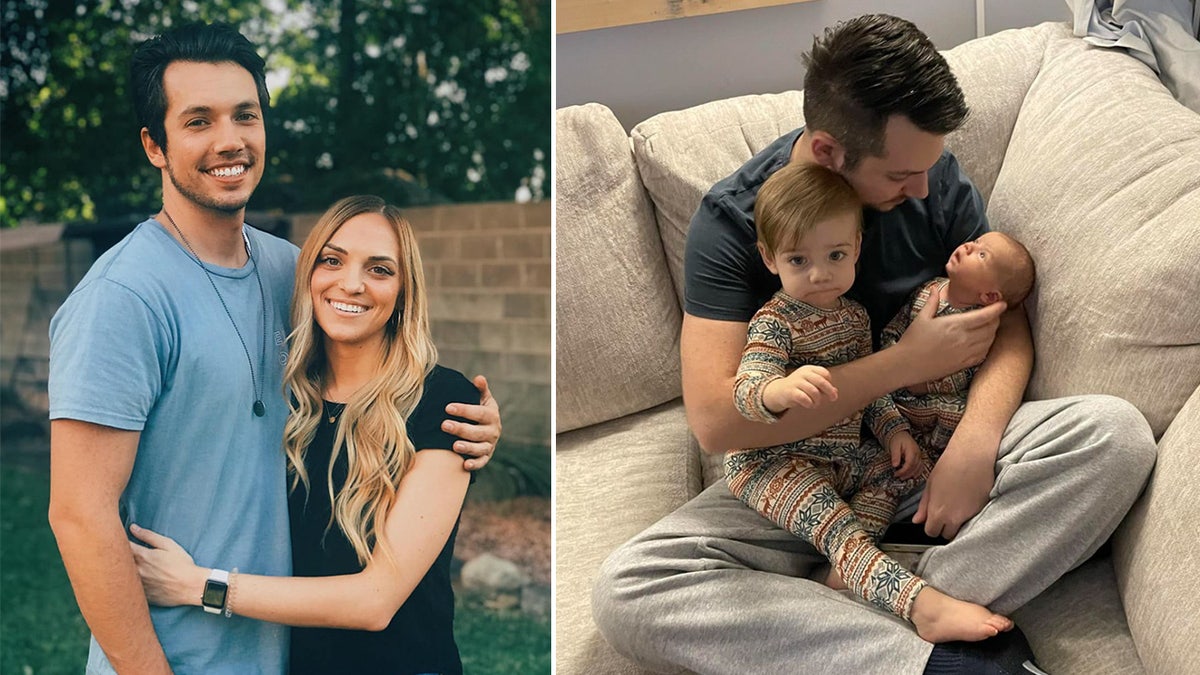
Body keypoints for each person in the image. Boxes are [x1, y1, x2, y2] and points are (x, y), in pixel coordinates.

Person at [591, 13, 1156, 675]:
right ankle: (934, 650)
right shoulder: (734, 221)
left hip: (925, 452)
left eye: (929, 168)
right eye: (898, 177)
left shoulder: (931, 176)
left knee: (1116, 436)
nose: (923, 189)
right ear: (830, 152)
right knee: (630, 588)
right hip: (799, 471)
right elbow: (719, 423)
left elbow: (1006, 318)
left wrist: (973, 444)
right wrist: (906, 361)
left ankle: (866, 589)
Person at [47, 23, 500, 674]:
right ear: (155, 145)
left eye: (245, 116)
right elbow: (79, 515)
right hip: (178, 654)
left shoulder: (292, 272)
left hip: (283, 648)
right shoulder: (122, 296)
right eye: (197, 121)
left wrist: (472, 422)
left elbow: (377, 356)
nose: (228, 140)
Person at [129, 195, 477, 675]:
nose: (350, 284)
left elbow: (374, 602)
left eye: (379, 270)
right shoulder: (289, 399)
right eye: (331, 260)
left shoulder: (444, 401)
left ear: (404, 290)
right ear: (309, 273)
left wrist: (198, 586)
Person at [726, 162, 1013, 642]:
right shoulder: (775, 321)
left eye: (836, 255)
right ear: (770, 258)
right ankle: (919, 604)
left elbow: (872, 391)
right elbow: (745, 387)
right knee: (841, 530)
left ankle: (839, 579)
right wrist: (776, 392)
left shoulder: (857, 317)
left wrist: (895, 432)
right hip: (773, 463)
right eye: (798, 261)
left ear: (857, 248)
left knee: (902, 473)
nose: (820, 274)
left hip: (843, 457)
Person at [869, 231, 1037, 460]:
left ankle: (929, 453)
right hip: (888, 380)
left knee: (957, 412)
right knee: (871, 398)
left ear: (989, 296)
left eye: (982, 254)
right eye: (976, 241)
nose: (968, 246)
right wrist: (892, 353)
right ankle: (892, 433)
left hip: (928, 400)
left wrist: (926, 385)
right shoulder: (930, 288)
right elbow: (898, 324)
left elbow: (970, 368)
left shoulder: (980, 326)